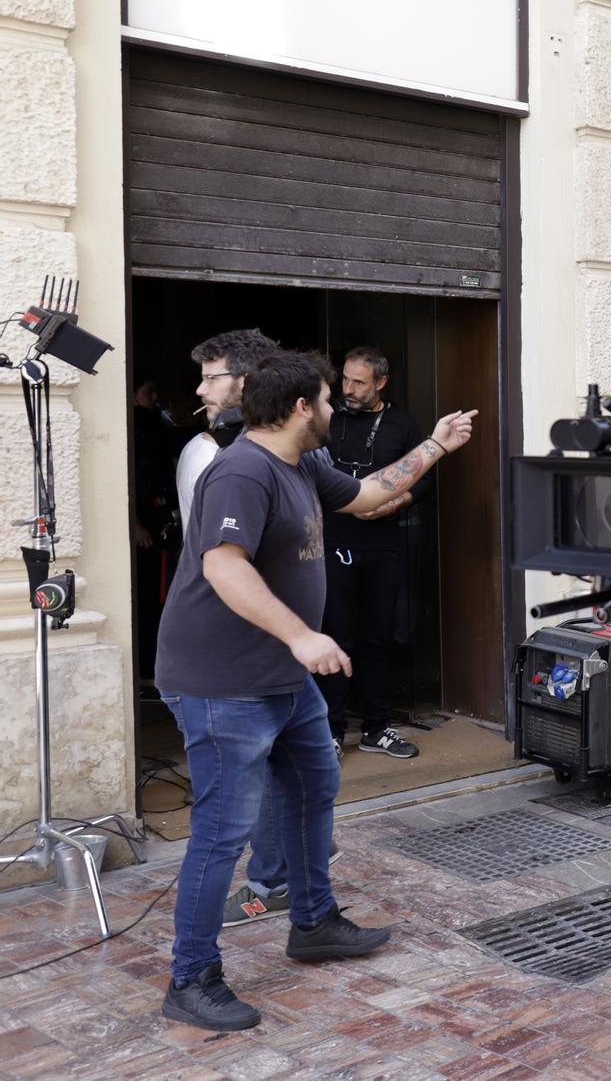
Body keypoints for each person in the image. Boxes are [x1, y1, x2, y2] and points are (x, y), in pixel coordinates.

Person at [155, 351, 476, 1031]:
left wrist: (436, 444)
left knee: (313, 785)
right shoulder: (241, 470)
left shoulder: (302, 463)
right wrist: (301, 635)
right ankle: (190, 977)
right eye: (329, 399)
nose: (336, 409)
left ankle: (313, 920)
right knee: (223, 830)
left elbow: (369, 496)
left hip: (282, 676)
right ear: (302, 406)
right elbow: (222, 565)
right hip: (223, 680)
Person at [320, 346, 429, 760]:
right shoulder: (328, 416)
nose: (347, 388)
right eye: (344, 379)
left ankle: (377, 728)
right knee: (335, 637)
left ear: (381, 382)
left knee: (377, 639)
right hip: (333, 540)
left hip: (383, 543)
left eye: (358, 382)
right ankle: (331, 731)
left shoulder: (401, 424)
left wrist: (398, 502)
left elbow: (423, 478)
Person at [177, 329, 281, 529]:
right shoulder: (211, 454)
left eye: (211, 378)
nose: (200, 390)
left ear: (248, 381)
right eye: (204, 378)